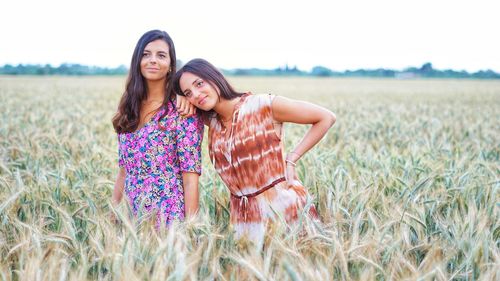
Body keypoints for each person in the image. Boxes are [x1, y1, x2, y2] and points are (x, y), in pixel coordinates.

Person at [173, 58, 336, 242]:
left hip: (285, 214)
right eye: (189, 92)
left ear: (214, 77)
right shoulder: (212, 122)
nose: (196, 94)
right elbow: (161, 97)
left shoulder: (262, 105)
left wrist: (292, 158)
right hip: (245, 222)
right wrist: (177, 95)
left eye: (199, 83)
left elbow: (326, 117)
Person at [111, 30, 203, 228]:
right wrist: (112, 219)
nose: (152, 60)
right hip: (131, 219)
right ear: (138, 61)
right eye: (146, 54)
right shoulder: (128, 108)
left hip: (168, 219)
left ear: (171, 66)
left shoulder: (181, 111)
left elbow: (190, 179)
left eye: (161, 55)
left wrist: (190, 230)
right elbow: (123, 172)